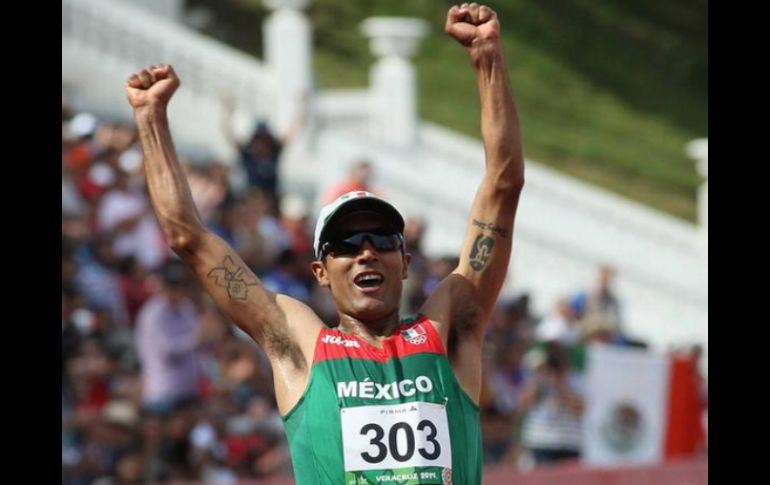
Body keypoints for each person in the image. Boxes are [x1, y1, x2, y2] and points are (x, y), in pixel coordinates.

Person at [124, 3, 524, 483]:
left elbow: (502, 185)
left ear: (406, 261)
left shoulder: (448, 327)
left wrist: (487, 57)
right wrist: (150, 119)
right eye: (346, 243)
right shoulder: (301, 344)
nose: (366, 251)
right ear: (320, 270)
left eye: (380, 238)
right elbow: (187, 237)